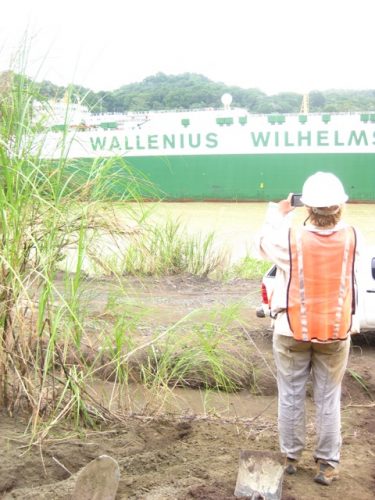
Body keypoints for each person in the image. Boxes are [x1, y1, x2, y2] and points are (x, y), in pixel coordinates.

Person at [254, 172, 362, 486]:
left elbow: (260, 245)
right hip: (335, 331)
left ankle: (290, 457)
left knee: (290, 394)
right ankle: (327, 466)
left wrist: (278, 214)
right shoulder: (354, 237)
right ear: (340, 205)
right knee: (329, 398)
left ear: (308, 208)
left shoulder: (291, 238)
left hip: (291, 330)